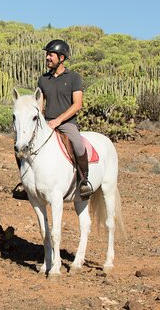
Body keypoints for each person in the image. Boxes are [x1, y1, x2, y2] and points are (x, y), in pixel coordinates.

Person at [36, 39, 93, 200]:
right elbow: (40, 104)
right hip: (47, 123)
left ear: (61, 58)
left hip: (66, 123)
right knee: (23, 145)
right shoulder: (43, 79)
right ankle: (25, 183)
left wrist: (59, 120)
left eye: (51, 55)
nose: (47, 57)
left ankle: (84, 181)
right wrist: (40, 121)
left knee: (78, 145)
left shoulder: (74, 78)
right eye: (47, 54)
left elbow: (77, 104)